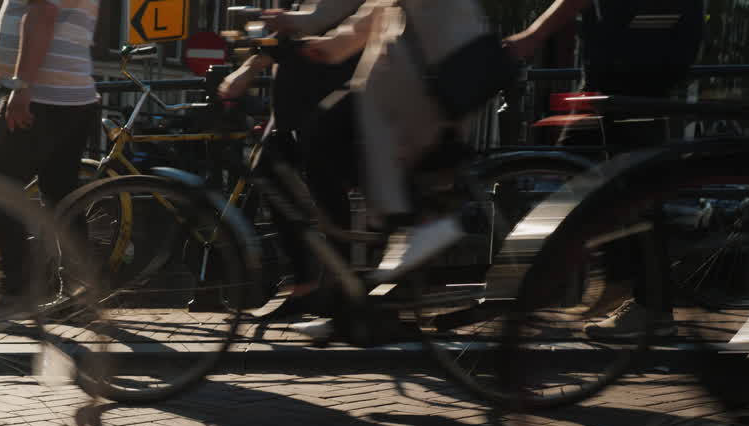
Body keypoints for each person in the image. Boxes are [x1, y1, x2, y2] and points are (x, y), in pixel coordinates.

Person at [270, 0, 496, 339]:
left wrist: (304, 20)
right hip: (415, 66)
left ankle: (421, 226)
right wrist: (335, 44)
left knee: (334, 140)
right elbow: (383, 6)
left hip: (435, 67)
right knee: (370, 174)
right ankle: (360, 312)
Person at [504, 0, 704, 340]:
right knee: (598, 174)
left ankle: (642, 296)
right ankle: (632, 287)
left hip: (635, 58)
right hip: (629, 57)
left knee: (600, 174)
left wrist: (533, 35)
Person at [216, 0, 366, 317]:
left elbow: (321, 21)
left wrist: (286, 20)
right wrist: (247, 69)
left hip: (329, 106)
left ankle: (337, 292)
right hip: (292, 112)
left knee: (328, 195)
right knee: (269, 177)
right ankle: (306, 284)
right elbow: (287, 41)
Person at [0, 0, 100, 317]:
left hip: (43, 95)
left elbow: (43, 15)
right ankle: (79, 293)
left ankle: (17, 292)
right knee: (62, 195)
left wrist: (21, 87)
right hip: (73, 94)